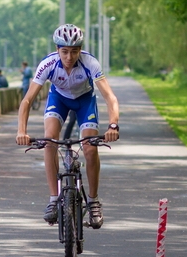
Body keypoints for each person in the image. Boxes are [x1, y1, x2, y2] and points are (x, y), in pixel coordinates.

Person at [15, 24, 120, 228]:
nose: (69, 57)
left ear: (80, 50)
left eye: (74, 51)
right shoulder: (48, 64)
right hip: (59, 99)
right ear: (57, 50)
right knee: (49, 140)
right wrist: (21, 131)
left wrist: (113, 125)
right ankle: (54, 199)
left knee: (90, 147)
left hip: (84, 100)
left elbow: (110, 97)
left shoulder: (90, 63)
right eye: (64, 52)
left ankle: (93, 200)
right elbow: (27, 101)